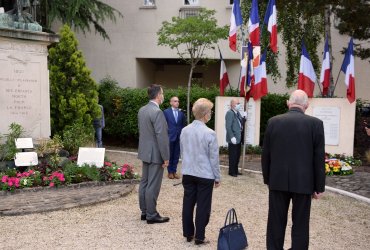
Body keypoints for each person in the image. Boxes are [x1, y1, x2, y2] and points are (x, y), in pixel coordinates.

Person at [262, 90, 326, 250]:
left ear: (288, 103)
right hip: (304, 182)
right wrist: (319, 187)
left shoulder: (273, 122)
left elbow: (266, 154)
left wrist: (268, 179)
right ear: (306, 105)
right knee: (301, 223)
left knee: (276, 222)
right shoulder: (315, 124)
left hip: (278, 180)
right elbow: (318, 158)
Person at [180, 98, 221, 245]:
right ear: (205, 114)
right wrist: (217, 177)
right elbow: (213, 158)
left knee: (188, 203)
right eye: (210, 111)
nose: (210, 114)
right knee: (203, 206)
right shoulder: (210, 133)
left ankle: (188, 233)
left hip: (189, 172)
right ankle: (200, 236)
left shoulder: (184, 130)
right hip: (205, 174)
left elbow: (182, 152)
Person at [138, 84, 170, 224]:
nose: (163, 96)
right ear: (158, 96)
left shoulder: (142, 110)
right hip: (156, 153)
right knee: (153, 184)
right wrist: (166, 157)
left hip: (145, 151)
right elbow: (161, 137)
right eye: (162, 93)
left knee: (144, 182)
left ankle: (144, 212)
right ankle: (151, 214)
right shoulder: (157, 112)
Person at [163, 96, 185, 179]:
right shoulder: (166, 112)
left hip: (178, 137)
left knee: (176, 155)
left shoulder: (181, 113)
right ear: (171, 102)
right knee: (169, 155)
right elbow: (163, 124)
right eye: (175, 101)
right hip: (170, 136)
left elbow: (183, 125)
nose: (177, 103)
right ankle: (170, 172)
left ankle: (174, 171)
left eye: (178, 101)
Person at [225, 98, 245, 177]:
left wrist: (244, 118)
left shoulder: (237, 113)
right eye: (237, 103)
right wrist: (232, 137)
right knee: (233, 156)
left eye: (239, 103)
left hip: (239, 137)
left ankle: (236, 170)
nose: (238, 105)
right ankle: (231, 171)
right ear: (232, 105)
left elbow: (240, 123)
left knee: (237, 155)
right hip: (233, 138)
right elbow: (228, 126)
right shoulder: (230, 113)